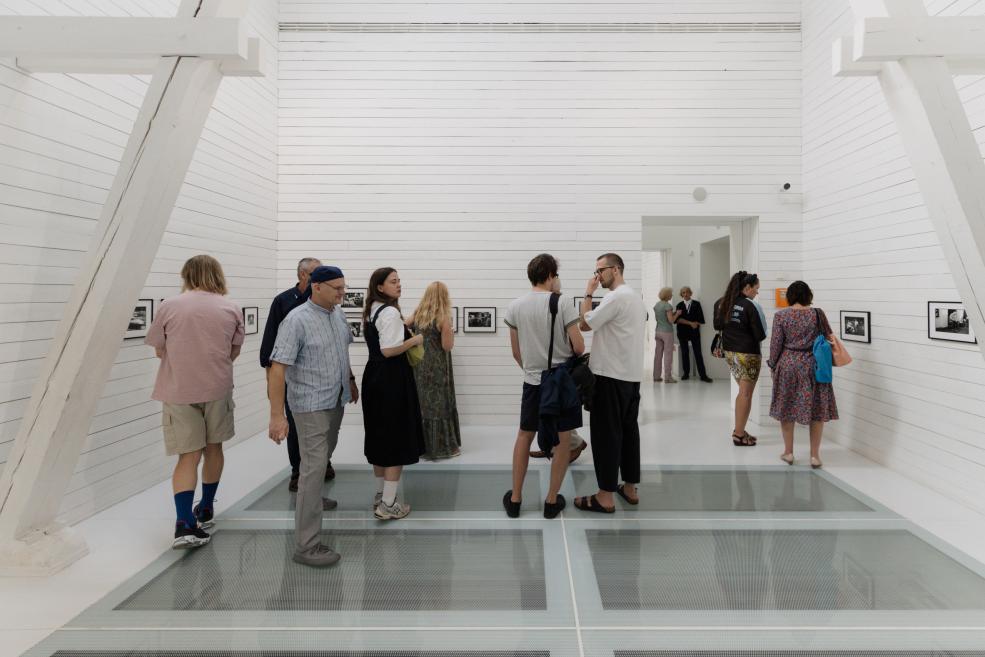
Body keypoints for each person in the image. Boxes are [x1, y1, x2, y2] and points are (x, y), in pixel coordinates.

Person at [145, 255, 244, 549]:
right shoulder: (231, 308)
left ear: (186, 275)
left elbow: (159, 350)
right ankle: (207, 507)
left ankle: (184, 522)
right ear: (218, 274)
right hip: (217, 387)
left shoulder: (169, 306)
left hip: (178, 390)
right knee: (214, 448)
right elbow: (233, 351)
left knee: (188, 456)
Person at [268, 265, 358, 568]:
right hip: (309, 405)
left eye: (343, 288)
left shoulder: (337, 314)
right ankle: (306, 546)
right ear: (316, 286)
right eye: (336, 288)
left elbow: (342, 351)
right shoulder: (296, 320)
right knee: (312, 469)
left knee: (321, 461)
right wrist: (276, 415)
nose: (342, 294)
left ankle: (314, 498)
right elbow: (277, 368)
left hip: (336, 399)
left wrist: (352, 380)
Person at [502, 254, 586, 519]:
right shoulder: (562, 303)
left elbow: (516, 352)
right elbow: (580, 346)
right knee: (563, 440)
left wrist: (532, 372)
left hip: (532, 382)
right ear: (550, 275)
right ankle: (551, 501)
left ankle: (515, 499)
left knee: (524, 435)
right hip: (559, 382)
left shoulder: (515, 306)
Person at [575, 253, 646, 513]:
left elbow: (584, 324)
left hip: (610, 376)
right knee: (629, 435)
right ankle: (629, 488)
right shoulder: (635, 297)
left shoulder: (615, 297)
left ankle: (604, 496)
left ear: (615, 269)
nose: (597, 276)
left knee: (606, 436)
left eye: (600, 270)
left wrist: (587, 294)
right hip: (631, 378)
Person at [260, 257, 337, 492]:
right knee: (295, 424)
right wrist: (271, 380)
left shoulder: (327, 305)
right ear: (303, 275)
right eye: (315, 272)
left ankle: (322, 464)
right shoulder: (284, 302)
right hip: (294, 379)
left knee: (321, 427)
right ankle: (297, 470)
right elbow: (270, 342)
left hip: (321, 379)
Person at [362, 267, 426, 520]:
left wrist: (405, 323)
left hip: (375, 377)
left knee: (379, 436)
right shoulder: (388, 311)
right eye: (393, 281)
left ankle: (381, 495)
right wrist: (415, 340)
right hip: (392, 380)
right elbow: (390, 350)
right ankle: (388, 505)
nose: (399, 285)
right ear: (380, 286)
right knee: (396, 438)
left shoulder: (372, 310)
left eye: (399, 281)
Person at [767, 281, 838, 469]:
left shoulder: (781, 316)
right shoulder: (817, 314)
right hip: (813, 365)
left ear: (790, 296)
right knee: (816, 410)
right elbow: (829, 337)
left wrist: (772, 365)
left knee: (786, 408)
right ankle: (815, 456)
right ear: (809, 295)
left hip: (788, 365)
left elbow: (775, 345)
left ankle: (789, 452)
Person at [408, 281, 462, 460]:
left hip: (420, 365)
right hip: (438, 367)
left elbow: (404, 326)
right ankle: (442, 448)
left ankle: (420, 446)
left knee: (422, 404)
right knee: (439, 405)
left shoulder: (418, 314)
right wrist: (451, 332)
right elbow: (447, 346)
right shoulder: (443, 317)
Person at [713, 271, 767, 447]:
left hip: (730, 353)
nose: (757, 292)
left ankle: (740, 430)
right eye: (756, 288)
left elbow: (717, 325)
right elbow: (760, 334)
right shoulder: (751, 306)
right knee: (746, 393)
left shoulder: (721, 303)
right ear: (747, 287)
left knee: (741, 392)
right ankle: (738, 434)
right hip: (748, 355)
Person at [674, 286, 712, 382]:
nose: (685, 294)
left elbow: (700, 320)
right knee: (684, 353)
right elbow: (677, 320)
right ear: (681, 294)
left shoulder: (696, 304)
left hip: (694, 333)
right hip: (682, 333)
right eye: (683, 292)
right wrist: (691, 323)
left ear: (691, 293)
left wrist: (694, 323)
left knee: (698, 353)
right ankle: (686, 373)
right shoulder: (679, 305)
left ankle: (703, 375)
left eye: (687, 292)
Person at [652, 286, 679, 383]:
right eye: (671, 293)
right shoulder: (668, 306)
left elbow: (660, 318)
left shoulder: (657, 305)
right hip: (667, 332)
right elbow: (671, 320)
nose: (672, 295)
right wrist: (677, 314)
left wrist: (673, 314)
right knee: (668, 355)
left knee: (658, 355)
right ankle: (668, 377)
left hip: (658, 331)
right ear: (667, 295)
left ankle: (656, 376)